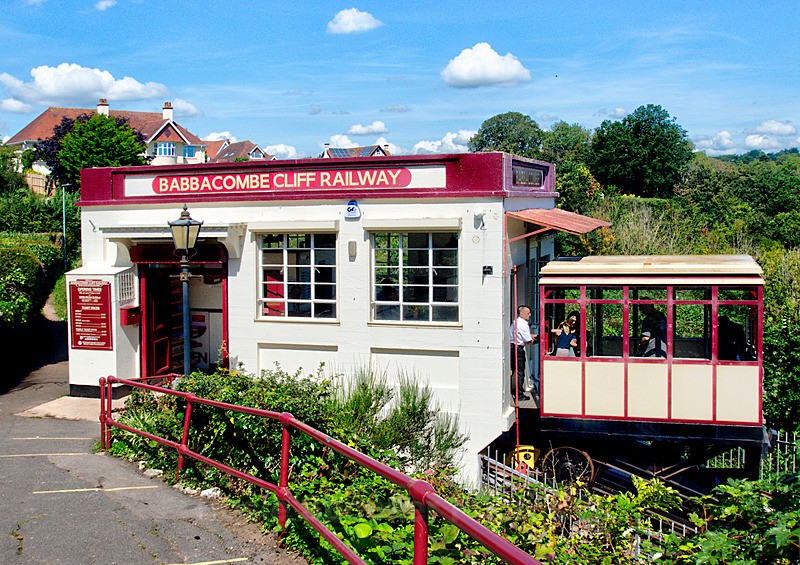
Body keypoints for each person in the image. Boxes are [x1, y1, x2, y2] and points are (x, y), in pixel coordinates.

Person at [509, 305, 538, 401]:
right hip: (519, 348)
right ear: (522, 314)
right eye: (528, 313)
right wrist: (538, 340)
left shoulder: (515, 322)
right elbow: (528, 341)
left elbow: (519, 335)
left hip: (513, 346)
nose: (529, 315)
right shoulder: (524, 324)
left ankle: (516, 390)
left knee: (515, 370)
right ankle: (519, 394)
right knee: (520, 371)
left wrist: (530, 336)